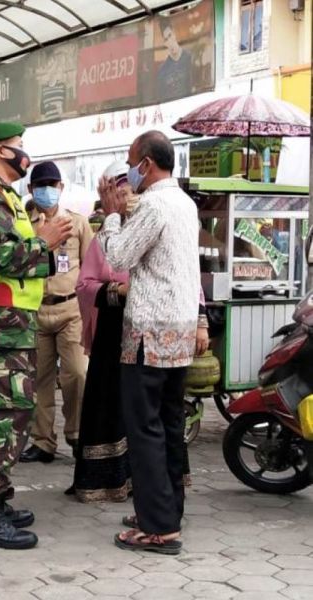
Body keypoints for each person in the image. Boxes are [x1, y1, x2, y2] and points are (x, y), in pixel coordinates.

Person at [0, 123, 73, 550]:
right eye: (20, 147)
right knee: (9, 412)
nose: (25, 154)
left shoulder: (3, 196)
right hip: (0, 321)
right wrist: (44, 242)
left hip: (8, 320)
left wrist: (44, 243)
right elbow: (5, 257)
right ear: (1, 151)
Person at [97, 131, 209, 554]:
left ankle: (160, 527)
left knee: (144, 429)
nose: (127, 171)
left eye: (130, 162)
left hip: (149, 333)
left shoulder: (155, 203)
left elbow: (120, 258)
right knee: (168, 427)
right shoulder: (184, 203)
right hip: (177, 332)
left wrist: (110, 215)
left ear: (145, 163)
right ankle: (165, 509)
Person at [21, 162, 92, 465]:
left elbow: (91, 268)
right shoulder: (23, 223)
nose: (47, 191)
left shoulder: (77, 223)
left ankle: (76, 434)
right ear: (31, 190)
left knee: (77, 373)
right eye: (40, 186)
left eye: (52, 184)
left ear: (61, 188)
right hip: (36, 309)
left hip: (70, 308)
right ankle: (42, 442)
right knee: (39, 380)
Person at [71, 161, 134, 503]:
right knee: (107, 400)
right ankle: (103, 480)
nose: (125, 200)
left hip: (146, 328)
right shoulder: (104, 236)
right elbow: (85, 284)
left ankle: (141, 479)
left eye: (128, 192)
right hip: (112, 328)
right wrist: (116, 291)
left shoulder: (152, 224)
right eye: (119, 193)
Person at [157, 18, 193, 101]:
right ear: (164, 43)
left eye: (170, 35)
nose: (169, 41)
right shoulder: (162, 71)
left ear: (174, 33)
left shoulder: (190, 58)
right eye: (166, 39)